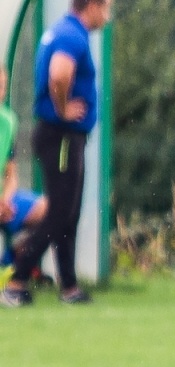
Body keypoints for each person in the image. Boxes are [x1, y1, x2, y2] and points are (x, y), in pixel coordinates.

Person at [3, 0, 111, 308]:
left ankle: (69, 286)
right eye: (105, 8)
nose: (107, 16)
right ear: (91, 5)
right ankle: (16, 281)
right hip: (61, 135)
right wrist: (63, 109)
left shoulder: (61, 31)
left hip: (60, 136)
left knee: (68, 213)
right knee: (59, 212)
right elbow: (60, 74)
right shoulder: (72, 35)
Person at [1, 65, 50, 273]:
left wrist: (5, 200)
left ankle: (12, 264)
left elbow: (11, 174)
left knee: (50, 210)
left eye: (2, 86)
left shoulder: (8, 121)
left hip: (3, 202)